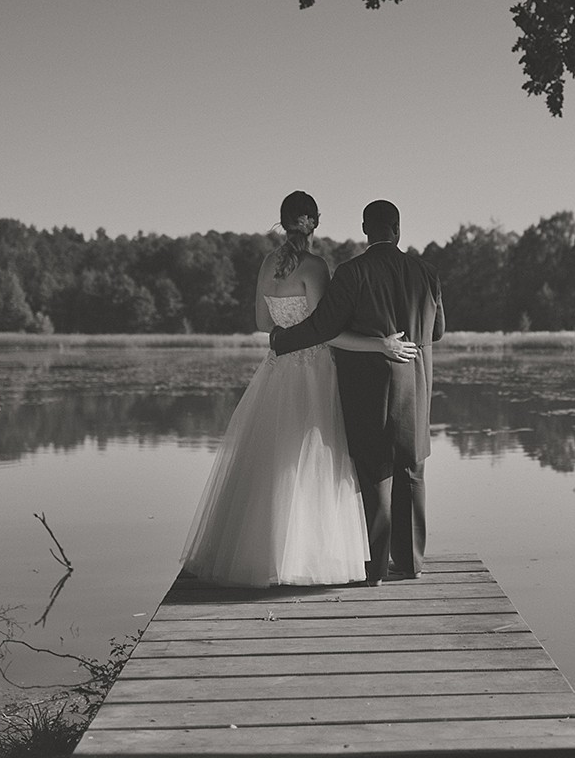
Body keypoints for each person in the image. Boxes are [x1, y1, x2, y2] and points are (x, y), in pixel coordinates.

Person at [180, 191, 418, 587]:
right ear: (315, 222)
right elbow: (326, 331)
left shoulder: (267, 264)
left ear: (284, 220)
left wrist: (285, 330)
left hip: (278, 370)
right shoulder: (315, 267)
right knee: (314, 463)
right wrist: (381, 345)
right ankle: (309, 556)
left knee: (272, 460)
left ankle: (261, 554)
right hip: (316, 371)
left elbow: (262, 323)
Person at [271, 200, 444, 586]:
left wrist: (282, 340)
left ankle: (375, 569)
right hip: (416, 388)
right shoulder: (427, 273)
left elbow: (324, 326)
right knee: (412, 473)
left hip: (370, 390)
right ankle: (411, 563)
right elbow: (437, 331)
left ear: (366, 230)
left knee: (375, 474)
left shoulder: (353, 272)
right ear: (397, 229)